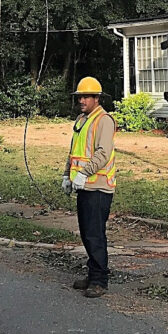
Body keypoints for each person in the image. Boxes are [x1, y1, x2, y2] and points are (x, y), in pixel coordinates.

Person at [62, 76, 116, 298]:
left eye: (86, 97)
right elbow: (73, 151)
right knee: (87, 233)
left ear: (97, 98)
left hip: (98, 187)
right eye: (80, 97)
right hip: (84, 186)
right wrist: (67, 175)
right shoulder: (82, 120)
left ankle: (99, 281)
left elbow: (103, 153)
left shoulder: (103, 120)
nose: (81, 100)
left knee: (95, 235)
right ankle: (93, 273)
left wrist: (83, 173)